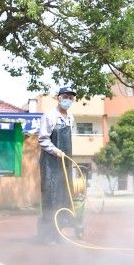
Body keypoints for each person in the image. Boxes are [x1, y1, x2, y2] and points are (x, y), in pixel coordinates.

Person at [36, 86, 80, 243]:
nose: (68, 100)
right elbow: (42, 139)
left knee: (63, 197)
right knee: (51, 197)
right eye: (66, 96)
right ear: (59, 98)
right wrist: (56, 151)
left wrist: (65, 155)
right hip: (50, 164)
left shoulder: (70, 118)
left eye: (71, 97)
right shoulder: (49, 116)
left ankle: (58, 233)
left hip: (65, 163)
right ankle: (46, 235)